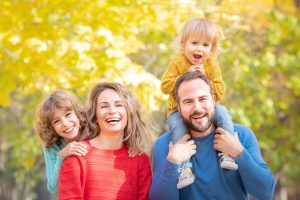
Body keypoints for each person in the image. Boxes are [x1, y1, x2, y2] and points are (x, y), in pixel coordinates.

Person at [150, 71, 275, 200]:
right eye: (188, 102)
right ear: (179, 107)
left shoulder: (241, 135)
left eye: (203, 99)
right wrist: (173, 162)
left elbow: (266, 193)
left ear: (214, 100)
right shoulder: (166, 144)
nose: (197, 108)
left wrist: (239, 153)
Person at [160, 18, 237, 189]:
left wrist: (206, 81)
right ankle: (185, 168)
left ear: (212, 49)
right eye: (194, 43)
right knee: (178, 127)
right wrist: (184, 76)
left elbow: (220, 92)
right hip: (177, 110)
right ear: (184, 44)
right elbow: (165, 86)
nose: (199, 49)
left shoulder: (211, 65)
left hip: (207, 109)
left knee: (223, 112)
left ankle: (227, 152)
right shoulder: (178, 62)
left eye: (205, 45)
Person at [58, 82, 152, 200]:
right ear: (95, 115)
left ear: (129, 112)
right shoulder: (77, 156)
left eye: (119, 105)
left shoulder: (140, 159)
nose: (112, 111)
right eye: (104, 106)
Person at [34, 90, 89, 195]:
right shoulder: (51, 145)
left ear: (77, 113)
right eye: (56, 121)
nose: (65, 123)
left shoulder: (92, 131)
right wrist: (62, 155)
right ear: (51, 128)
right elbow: (52, 187)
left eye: (68, 114)